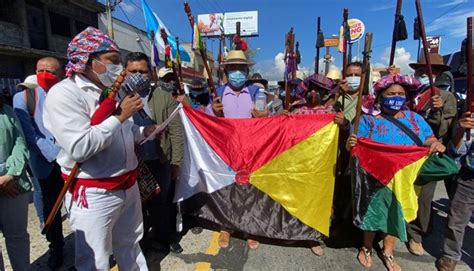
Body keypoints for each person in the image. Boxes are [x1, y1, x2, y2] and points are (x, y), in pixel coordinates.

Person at [43, 27, 157, 270]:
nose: (121, 69)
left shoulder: (113, 92)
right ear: (88, 61)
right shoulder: (64, 94)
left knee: (130, 245)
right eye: (114, 61)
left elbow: (122, 135)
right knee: (95, 260)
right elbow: (81, 148)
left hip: (128, 186)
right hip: (94, 195)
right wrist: (120, 116)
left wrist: (142, 133)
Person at [347, 73, 446, 271]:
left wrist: (435, 143)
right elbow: (356, 146)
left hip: (402, 178)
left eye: (400, 93)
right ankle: (366, 247)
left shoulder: (415, 119)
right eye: (391, 93)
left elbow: (428, 138)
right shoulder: (368, 120)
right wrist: (350, 144)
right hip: (375, 176)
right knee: (372, 213)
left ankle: (388, 251)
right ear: (381, 96)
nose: (396, 97)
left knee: (395, 213)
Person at [125, 53, 185, 254]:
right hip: (130, 162)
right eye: (133, 71)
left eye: (142, 71)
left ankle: (165, 237)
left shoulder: (164, 96)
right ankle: (140, 243)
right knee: (135, 206)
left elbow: (176, 131)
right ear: (125, 72)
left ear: (151, 73)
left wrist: (176, 162)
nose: (138, 75)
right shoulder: (117, 97)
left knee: (162, 201)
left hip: (159, 159)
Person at [210, 50, 267, 250]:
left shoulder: (256, 92)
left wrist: (262, 118)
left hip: (250, 150)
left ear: (247, 70)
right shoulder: (216, 93)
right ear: (226, 70)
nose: (237, 72)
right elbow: (207, 123)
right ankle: (225, 227)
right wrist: (213, 113)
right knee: (226, 189)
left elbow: (267, 121)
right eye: (232, 68)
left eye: (241, 68)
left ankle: (250, 229)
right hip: (225, 151)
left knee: (250, 190)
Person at [13, 57, 66, 269]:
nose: (45, 74)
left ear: (60, 75)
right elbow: (30, 134)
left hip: (73, 158)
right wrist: (56, 154)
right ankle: (57, 247)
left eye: (51, 72)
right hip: (47, 162)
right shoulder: (23, 98)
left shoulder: (65, 94)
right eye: (41, 70)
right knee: (51, 207)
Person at [406, 53, 457, 256]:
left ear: (436, 75)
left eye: (428, 71)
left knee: (424, 197)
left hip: (429, 151)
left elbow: (445, 129)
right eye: (419, 71)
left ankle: (417, 233)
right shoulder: (409, 93)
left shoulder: (447, 97)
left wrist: (438, 111)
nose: (423, 74)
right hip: (406, 150)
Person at [436, 112, 474, 271]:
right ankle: (450, 255)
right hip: (468, 177)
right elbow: (454, 152)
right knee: (456, 220)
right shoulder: (471, 119)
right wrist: (461, 130)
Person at [0, 88, 31, 271]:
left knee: (17, 238)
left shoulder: (7, 111)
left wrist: (10, 175)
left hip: (13, 183)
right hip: (6, 183)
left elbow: (20, 144)